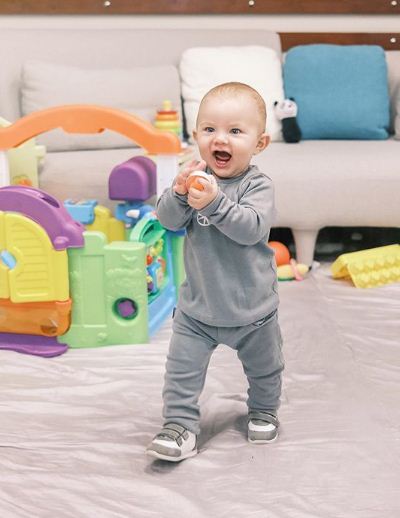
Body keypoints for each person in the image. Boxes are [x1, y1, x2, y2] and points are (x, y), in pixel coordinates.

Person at [146, 82, 284, 462]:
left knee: (265, 368)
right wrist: (177, 194)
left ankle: (263, 410)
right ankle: (179, 426)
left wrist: (213, 203)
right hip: (198, 309)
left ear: (259, 143)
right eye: (209, 129)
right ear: (196, 137)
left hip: (253, 310)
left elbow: (250, 229)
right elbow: (168, 221)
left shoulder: (257, 186)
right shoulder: (194, 178)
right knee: (181, 372)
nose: (220, 139)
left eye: (235, 131)